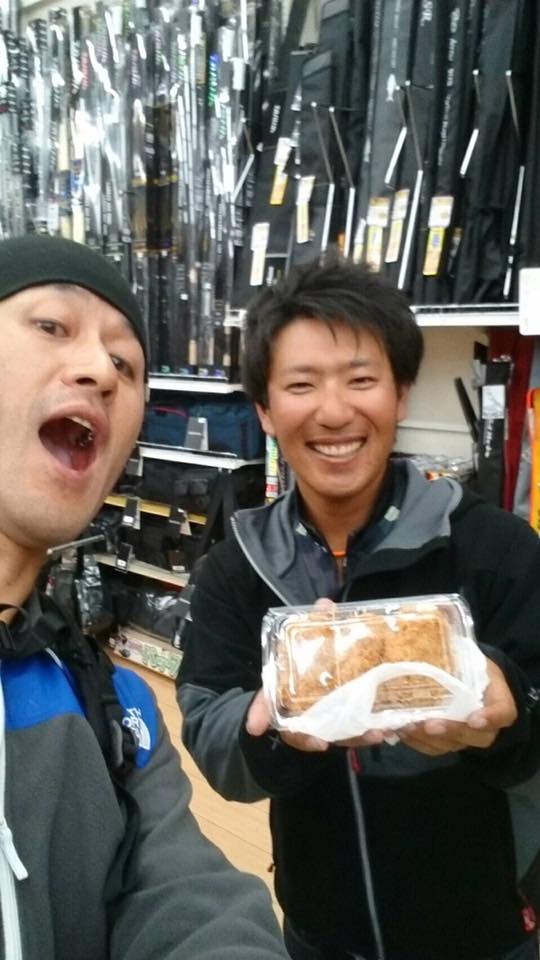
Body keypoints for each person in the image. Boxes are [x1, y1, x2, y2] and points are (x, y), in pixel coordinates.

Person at [177, 253, 540, 960]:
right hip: (319, 932)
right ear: (265, 410)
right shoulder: (235, 569)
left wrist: (506, 713)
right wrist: (272, 727)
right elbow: (209, 732)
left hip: (488, 932)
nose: (335, 411)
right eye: (301, 384)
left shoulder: (496, 548)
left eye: (361, 379)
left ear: (400, 393)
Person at [0, 234, 291, 960]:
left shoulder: (113, 711)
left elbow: (191, 903)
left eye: (127, 364)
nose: (101, 369)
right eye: (51, 325)